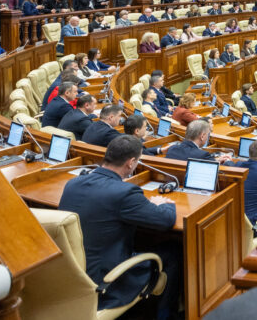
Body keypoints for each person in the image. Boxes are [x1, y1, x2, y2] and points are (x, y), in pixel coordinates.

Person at [58, 135, 180, 320]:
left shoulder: (72, 184)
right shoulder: (125, 192)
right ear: (130, 163)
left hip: (71, 276)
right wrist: (164, 204)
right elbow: (165, 220)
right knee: (174, 250)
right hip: (103, 283)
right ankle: (165, 316)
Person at [165, 120, 233, 164]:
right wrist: (227, 161)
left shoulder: (172, 149)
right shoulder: (203, 155)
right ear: (202, 136)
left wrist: (216, 160)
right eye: (207, 135)